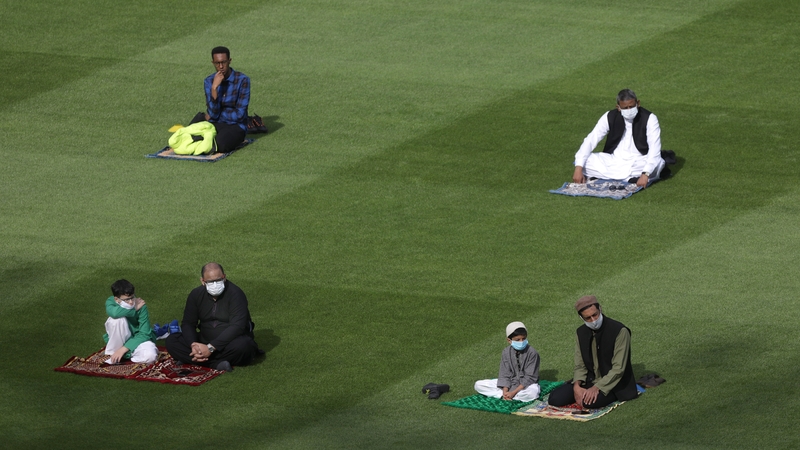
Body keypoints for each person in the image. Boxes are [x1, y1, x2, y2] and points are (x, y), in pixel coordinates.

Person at [548, 296, 638, 409]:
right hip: (590, 379)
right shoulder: (581, 333)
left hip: (613, 383)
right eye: (588, 318)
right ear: (581, 318)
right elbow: (580, 365)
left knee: (588, 402)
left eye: (595, 315)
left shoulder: (619, 331)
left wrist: (597, 388)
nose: (593, 320)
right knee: (555, 399)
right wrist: (577, 387)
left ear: (600, 309)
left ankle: (608, 394)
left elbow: (618, 369)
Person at [166, 262, 259, 372]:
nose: (215, 284)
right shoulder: (196, 295)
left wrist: (211, 348)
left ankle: (194, 359)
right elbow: (188, 323)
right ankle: (215, 363)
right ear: (202, 281)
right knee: (172, 340)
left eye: (218, 280)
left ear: (224, 277)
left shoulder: (236, 294)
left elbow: (237, 326)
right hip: (204, 341)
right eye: (211, 281)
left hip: (228, 343)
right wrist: (193, 345)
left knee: (245, 346)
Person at [572, 89, 666, 188]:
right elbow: (591, 140)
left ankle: (617, 176)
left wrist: (645, 174)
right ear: (618, 107)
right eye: (625, 108)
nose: (629, 110)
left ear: (638, 103)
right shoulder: (609, 116)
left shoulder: (650, 118)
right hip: (615, 161)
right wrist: (578, 169)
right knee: (585, 161)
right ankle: (628, 178)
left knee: (658, 162)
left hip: (638, 162)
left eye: (632, 106)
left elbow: (654, 148)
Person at [189, 46, 250, 154]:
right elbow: (213, 112)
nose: (221, 66)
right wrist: (214, 89)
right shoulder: (209, 82)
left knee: (221, 144)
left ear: (229, 61)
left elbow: (240, 115)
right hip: (214, 122)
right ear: (213, 62)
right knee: (188, 135)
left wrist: (214, 116)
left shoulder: (243, 80)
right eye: (217, 63)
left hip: (235, 125)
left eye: (223, 62)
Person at [474, 321, 541, 402]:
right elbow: (504, 374)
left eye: (523, 339)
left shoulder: (532, 353)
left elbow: (530, 377)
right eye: (518, 340)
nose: (521, 342)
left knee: (531, 393)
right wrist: (505, 390)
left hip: (526, 386)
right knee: (478, 385)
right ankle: (506, 395)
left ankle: (511, 395)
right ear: (509, 340)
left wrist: (513, 392)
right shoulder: (506, 352)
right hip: (510, 383)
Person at [103, 279, 158, 364]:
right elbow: (114, 313)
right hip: (119, 338)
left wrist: (124, 349)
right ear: (117, 299)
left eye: (132, 297)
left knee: (151, 356)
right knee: (117, 320)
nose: (131, 302)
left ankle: (124, 354)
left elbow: (145, 334)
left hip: (138, 339)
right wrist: (134, 309)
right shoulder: (111, 301)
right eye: (127, 300)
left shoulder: (141, 305)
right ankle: (116, 352)